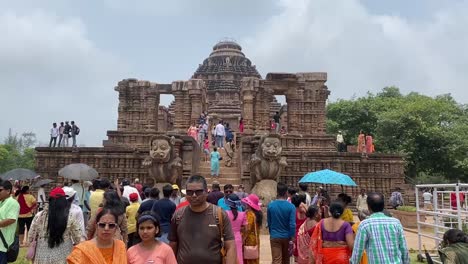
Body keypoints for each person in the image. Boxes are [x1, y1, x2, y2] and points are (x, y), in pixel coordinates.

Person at [169, 175, 237, 264]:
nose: (193, 195)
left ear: (206, 192)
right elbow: (173, 245)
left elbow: (230, 245)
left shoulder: (219, 214)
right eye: (189, 192)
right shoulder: (178, 215)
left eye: (198, 192)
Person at [350, 192, 409, 264]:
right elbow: (404, 248)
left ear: (368, 207)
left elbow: (357, 252)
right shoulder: (396, 223)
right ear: (383, 205)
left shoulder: (364, 225)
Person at [28, 187, 83, 264]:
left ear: (50, 200)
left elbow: (30, 237)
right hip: (64, 254)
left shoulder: (39, 216)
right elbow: (78, 239)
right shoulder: (70, 217)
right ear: (64, 201)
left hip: (42, 255)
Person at [267, 182, 296, 264]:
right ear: (286, 192)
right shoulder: (291, 207)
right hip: (287, 236)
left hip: (275, 235)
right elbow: (292, 224)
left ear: (277, 192)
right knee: (286, 260)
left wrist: (272, 233)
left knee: (276, 260)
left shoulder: (271, 205)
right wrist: (292, 236)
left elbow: (269, 222)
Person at [0, 180, 20, 264]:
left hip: (3, 245)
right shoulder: (1, 202)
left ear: (8, 191)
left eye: (0, 190)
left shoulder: (13, 203)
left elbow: (11, 219)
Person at [225, 194, 247, 264]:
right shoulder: (243, 214)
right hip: (238, 237)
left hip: (227, 238)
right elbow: (246, 229)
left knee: (228, 256)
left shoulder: (225, 213)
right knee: (239, 256)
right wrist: (243, 239)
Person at [241, 194, 262, 264]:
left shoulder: (250, 214)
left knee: (248, 259)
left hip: (249, 240)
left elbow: (247, 229)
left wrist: (242, 239)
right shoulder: (257, 214)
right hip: (255, 240)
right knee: (254, 258)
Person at [291, 194, 307, 261]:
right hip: (304, 235)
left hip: (296, 236)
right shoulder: (305, 210)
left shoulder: (293, 211)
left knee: (296, 258)